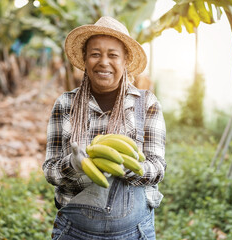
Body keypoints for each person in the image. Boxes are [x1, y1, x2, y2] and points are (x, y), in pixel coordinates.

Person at [43, 16, 166, 240]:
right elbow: (50, 171)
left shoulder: (146, 103)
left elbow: (157, 168)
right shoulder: (65, 104)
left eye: (113, 55)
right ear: (85, 58)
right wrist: (74, 165)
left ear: (126, 60)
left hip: (134, 232)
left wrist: (127, 165)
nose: (104, 62)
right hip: (75, 232)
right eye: (95, 54)